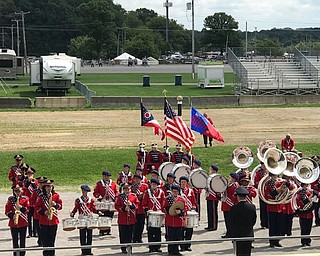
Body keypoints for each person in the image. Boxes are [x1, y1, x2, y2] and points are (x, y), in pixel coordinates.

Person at [35, 180, 62, 256]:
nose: (49, 188)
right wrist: (44, 212)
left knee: (52, 240)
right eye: (47, 186)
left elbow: (60, 206)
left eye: (50, 186)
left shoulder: (56, 196)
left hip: (53, 221)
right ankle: (46, 254)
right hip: (44, 221)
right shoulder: (41, 196)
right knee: (45, 240)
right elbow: (37, 207)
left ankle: (52, 254)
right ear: (44, 187)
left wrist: (55, 204)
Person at [229, 187, 257, 256]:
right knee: (247, 253)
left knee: (239, 253)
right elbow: (254, 220)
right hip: (248, 233)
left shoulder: (234, 208)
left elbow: (231, 222)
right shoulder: (252, 206)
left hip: (238, 234)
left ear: (238, 196)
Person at [70, 185, 96, 256]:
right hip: (82, 217)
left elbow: (93, 209)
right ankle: (83, 251)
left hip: (89, 217)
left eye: (86, 191)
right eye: (84, 191)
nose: (85, 192)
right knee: (82, 235)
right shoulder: (78, 200)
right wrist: (73, 213)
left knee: (90, 235)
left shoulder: (91, 200)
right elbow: (76, 208)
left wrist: (98, 212)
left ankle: (89, 250)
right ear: (82, 191)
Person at [5, 183, 30, 256]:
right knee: (15, 241)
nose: (17, 192)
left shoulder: (25, 199)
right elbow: (7, 210)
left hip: (23, 222)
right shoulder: (11, 199)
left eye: (18, 191)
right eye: (16, 191)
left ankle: (22, 254)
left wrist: (21, 207)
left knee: (23, 241)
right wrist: (12, 216)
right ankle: (15, 254)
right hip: (13, 223)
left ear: (21, 190)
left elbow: (27, 210)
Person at [115, 183, 139, 254]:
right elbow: (116, 206)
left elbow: (137, 205)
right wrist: (123, 208)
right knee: (123, 234)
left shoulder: (133, 196)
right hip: (122, 219)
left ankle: (129, 248)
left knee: (130, 235)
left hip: (131, 218)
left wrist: (132, 205)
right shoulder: (119, 197)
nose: (127, 191)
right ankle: (123, 248)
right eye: (125, 189)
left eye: (128, 189)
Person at [142, 178, 165, 253]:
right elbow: (144, 203)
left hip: (158, 214)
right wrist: (147, 210)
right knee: (150, 231)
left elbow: (163, 203)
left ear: (157, 185)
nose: (153, 186)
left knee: (158, 231)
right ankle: (151, 247)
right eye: (152, 184)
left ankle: (157, 246)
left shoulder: (161, 192)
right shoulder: (147, 192)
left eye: (155, 184)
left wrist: (161, 210)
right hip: (150, 214)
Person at [162, 184, 186, 256]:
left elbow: (185, 209)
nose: (175, 193)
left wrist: (180, 212)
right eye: (173, 191)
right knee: (171, 237)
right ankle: (171, 251)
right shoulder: (167, 199)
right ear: (171, 191)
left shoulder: (182, 199)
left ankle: (176, 250)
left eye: (176, 191)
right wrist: (170, 210)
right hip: (170, 221)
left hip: (178, 221)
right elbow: (164, 208)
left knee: (178, 237)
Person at [93, 170, 118, 236]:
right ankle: (102, 230)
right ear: (103, 176)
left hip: (110, 201)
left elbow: (116, 191)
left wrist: (116, 197)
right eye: (105, 176)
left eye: (108, 176)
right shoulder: (99, 184)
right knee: (102, 216)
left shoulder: (113, 183)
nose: (107, 177)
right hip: (103, 202)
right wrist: (99, 196)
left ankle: (108, 230)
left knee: (110, 216)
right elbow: (95, 193)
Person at [265, 173, 285, 248]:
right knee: (272, 226)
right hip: (272, 207)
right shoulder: (268, 184)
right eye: (274, 175)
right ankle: (272, 242)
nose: (276, 176)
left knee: (279, 225)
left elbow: (291, 187)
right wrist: (278, 190)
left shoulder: (280, 182)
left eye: (276, 175)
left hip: (280, 207)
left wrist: (287, 183)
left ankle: (277, 241)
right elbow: (268, 195)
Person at [179, 176, 197, 252]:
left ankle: (188, 245)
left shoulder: (190, 191)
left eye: (185, 182)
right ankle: (182, 246)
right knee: (181, 230)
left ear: (187, 183)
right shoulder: (178, 191)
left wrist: (193, 208)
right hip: (182, 213)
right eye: (182, 182)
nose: (183, 184)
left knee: (189, 230)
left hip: (189, 213)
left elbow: (194, 202)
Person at [131, 174, 149, 243]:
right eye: (135, 178)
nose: (136, 180)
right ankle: (134, 237)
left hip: (142, 207)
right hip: (135, 208)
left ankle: (139, 237)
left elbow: (147, 195)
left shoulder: (145, 186)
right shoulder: (132, 187)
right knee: (134, 224)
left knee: (141, 224)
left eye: (138, 178)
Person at [221, 172, 239, 238]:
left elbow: (234, 196)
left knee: (230, 220)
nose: (229, 178)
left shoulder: (235, 185)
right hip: (226, 204)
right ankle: (228, 232)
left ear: (234, 178)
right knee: (227, 220)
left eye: (230, 177)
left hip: (230, 205)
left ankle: (231, 233)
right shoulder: (229, 184)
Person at [22, 167, 38, 238]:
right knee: (28, 219)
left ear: (33, 174)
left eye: (31, 174)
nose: (29, 175)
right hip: (28, 202)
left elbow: (37, 190)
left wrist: (33, 183)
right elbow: (24, 189)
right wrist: (28, 181)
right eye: (28, 174)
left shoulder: (37, 181)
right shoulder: (25, 182)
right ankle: (30, 233)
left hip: (34, 202)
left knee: (35, 218)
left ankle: (35, 232)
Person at [253, 161, 269, 229]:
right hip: (262, 192)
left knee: (268, 208)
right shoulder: (259, 172)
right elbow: (256, 182)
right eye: (263, 165)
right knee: (263, 208)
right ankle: (263, 223)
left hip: (268, 192)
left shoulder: (269, 171)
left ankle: (268, 222)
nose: (264, 166)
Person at [205, 164, 220, 231]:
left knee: (213, 212)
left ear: (214, 170)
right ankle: (210, 225)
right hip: (209, 196)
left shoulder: (217, 177)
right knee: (209, 211)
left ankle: (214, 226)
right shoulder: (210, 177)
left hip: (214, 196)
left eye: (211, 169)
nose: (210, 170)